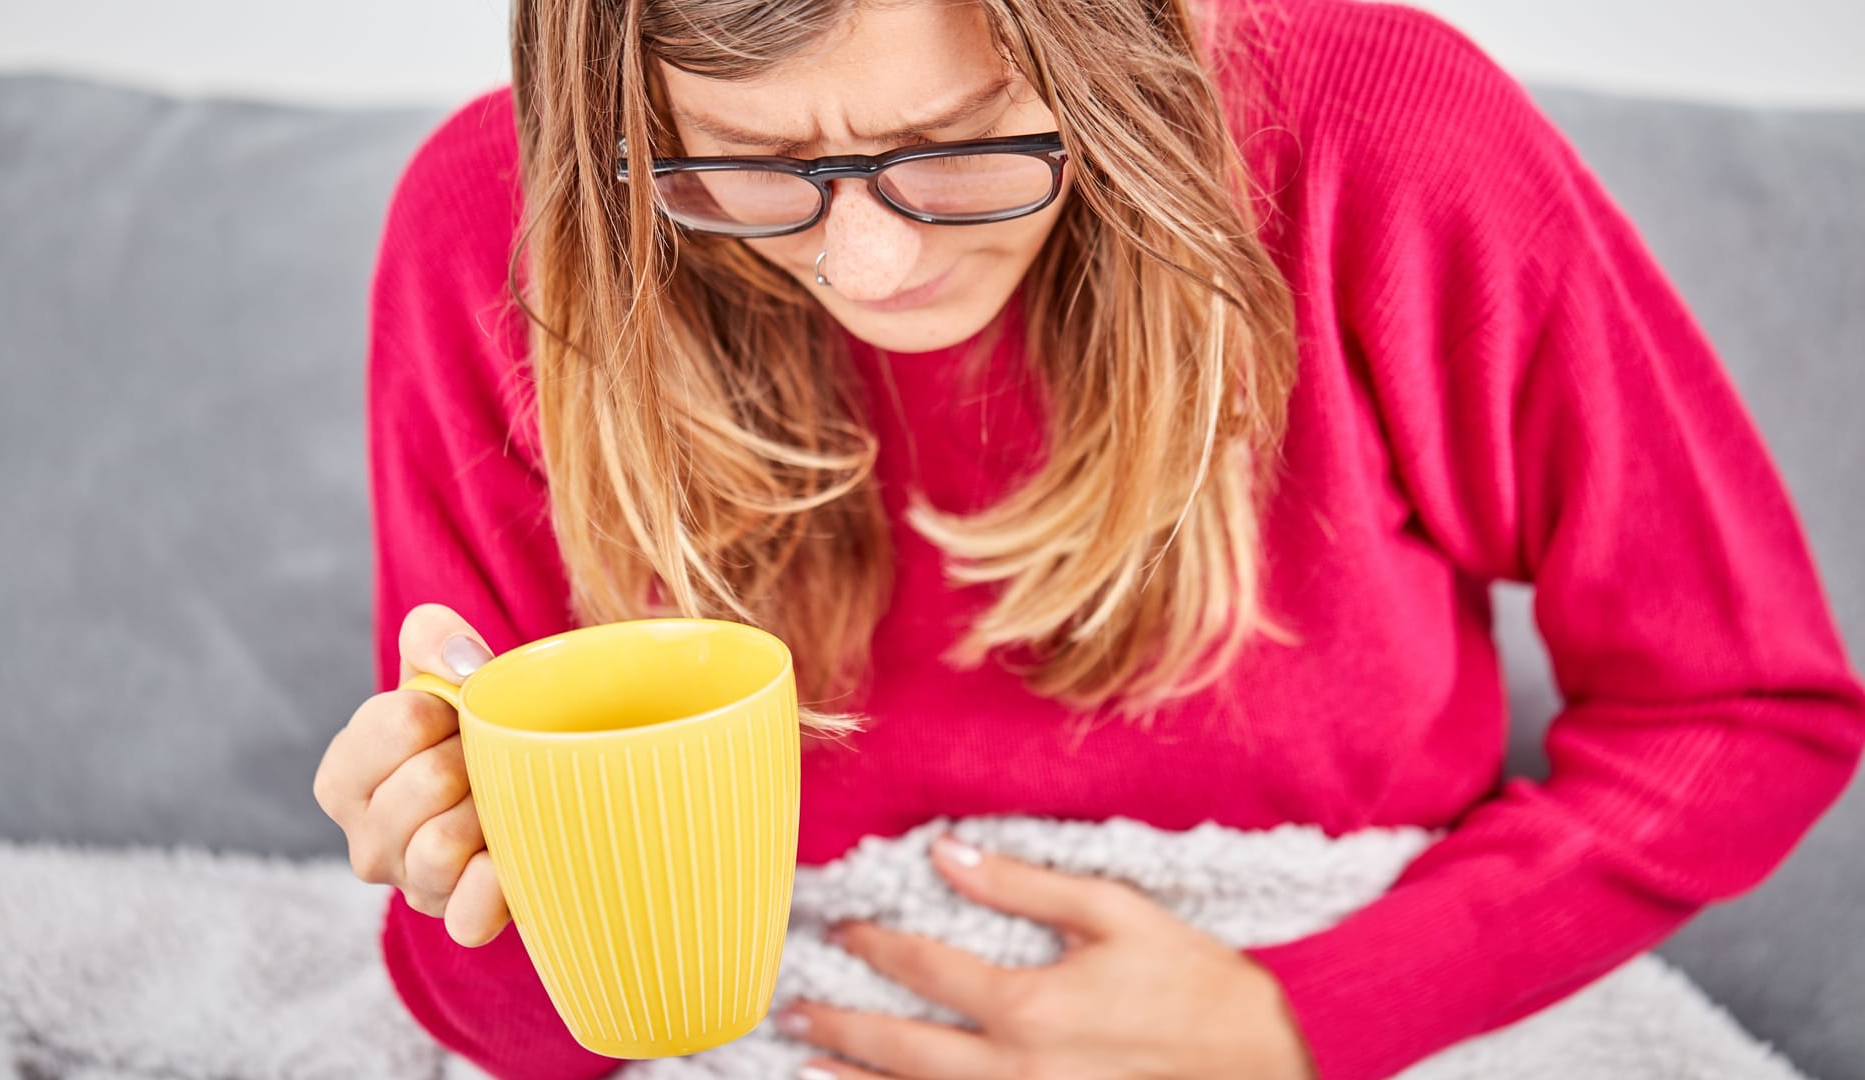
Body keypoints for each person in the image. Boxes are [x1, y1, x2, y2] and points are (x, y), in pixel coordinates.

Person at [311, 0, 1865, 1076]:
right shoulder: (508, 231)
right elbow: (516, 1037)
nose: (869, 261)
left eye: (959, 139)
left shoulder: (1382, 143)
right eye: (750, 162)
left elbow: (1746, 711)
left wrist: (1299, 1021)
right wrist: (483, 888)